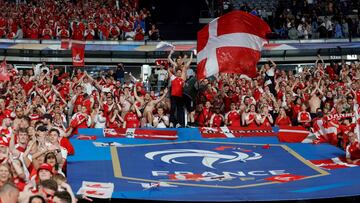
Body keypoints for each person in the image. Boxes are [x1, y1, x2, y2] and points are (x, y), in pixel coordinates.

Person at [167, 50, 193, 127]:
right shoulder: (175, 66)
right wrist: (171, 53)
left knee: (181, 108)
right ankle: (173, 122)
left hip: (182, 86)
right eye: (178, 60)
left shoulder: (184, 68)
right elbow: (169, 59)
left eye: (180, 60)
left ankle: (181, 123)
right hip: (174, 85)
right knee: (173, 107)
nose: (179, 61)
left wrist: (191, 54)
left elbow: (190, 61)